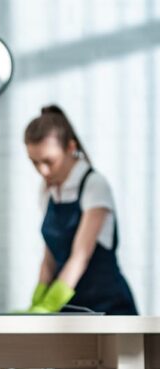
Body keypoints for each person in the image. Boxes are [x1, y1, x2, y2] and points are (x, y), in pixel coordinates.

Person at [23, 105, 137, 315]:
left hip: (108, 307)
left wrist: (49, 305)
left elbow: (80, 256)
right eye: (34, 162)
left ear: (70, 147)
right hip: (69, 306)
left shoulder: (93, 185)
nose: (42, 171)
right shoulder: (47, 189)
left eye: (49, 161)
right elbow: (50, 254)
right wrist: (37, 299)